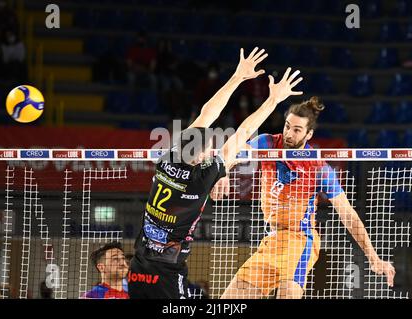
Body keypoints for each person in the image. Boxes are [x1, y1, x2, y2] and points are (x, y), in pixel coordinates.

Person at [128, 47, 303, 299]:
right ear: (199, 156)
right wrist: (273, 100)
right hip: (166, 274)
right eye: (209, 149)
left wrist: (238, 76)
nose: (212, 151)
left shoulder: (169, 158)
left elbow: (206, 114)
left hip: (138, 267)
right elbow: (242, 134)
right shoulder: (199, 180)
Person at [215, 96, 396, 299]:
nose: (288, 134)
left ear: (308, 134)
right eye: (287, 126)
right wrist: (223, 172)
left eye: (297, 130)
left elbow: (348, 215)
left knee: (287, 294)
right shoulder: (268, 143)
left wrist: (373, 258)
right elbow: (237, 150)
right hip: (272, 240)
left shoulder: (318, 168)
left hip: (300, 240)